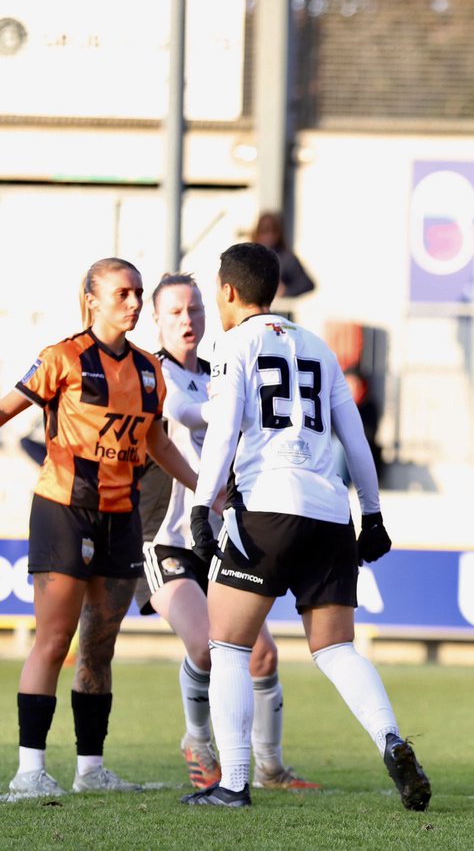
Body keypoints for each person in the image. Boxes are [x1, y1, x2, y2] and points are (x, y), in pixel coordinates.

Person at [180, 243, 429, 809]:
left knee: (228, 647)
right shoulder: (317, 347)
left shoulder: (232, 344)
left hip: (266, 508)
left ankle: (235, 783)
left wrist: (202, 506)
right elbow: (355, 439)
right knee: (337, 649)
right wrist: (372, 512)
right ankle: (391, 739)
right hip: (328, 511)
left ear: (226, 291)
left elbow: (221, 434)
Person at [1, 258, 199, 799]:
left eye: (138, 293)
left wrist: (207, 486)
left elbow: (155, 442)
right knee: (53, 640)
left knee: (99, 647)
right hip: (64, 511)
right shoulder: (61, 358)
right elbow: (6, 410)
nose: (134, 303)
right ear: (92, 299)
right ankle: (29, 773)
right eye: (123, 294)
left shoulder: (147, 370)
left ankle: (91, 770)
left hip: (122, 518)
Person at [133, 274, 317, 791]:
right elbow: (165, 441)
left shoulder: (221, 370)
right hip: (165, 535)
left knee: (261, 654)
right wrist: (208, 491)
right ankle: (197, 740)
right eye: (175, 312)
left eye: (194, 308)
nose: (187, 319)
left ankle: (272, 769)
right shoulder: (152, 375)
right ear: (158, 319)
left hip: (220, 534)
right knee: (207, 647)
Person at [251, 212, 316, 301]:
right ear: (257, 233)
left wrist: (286, 291)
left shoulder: (287, 258)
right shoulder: (249, 257)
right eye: (264, 231)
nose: (268, 236)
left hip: (279, 310)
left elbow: (307, 284)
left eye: (273, 231)